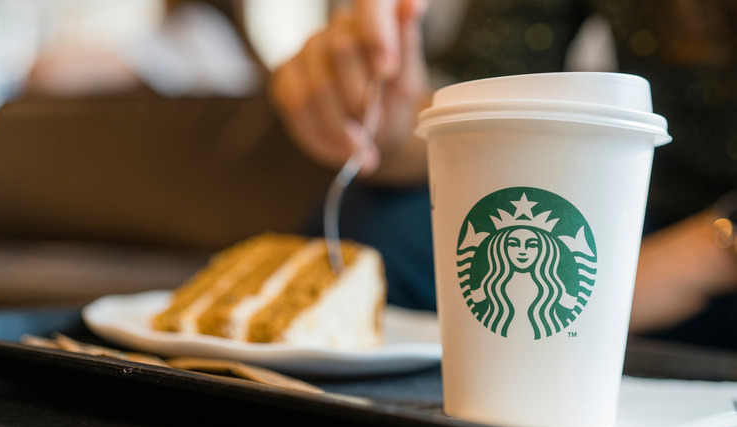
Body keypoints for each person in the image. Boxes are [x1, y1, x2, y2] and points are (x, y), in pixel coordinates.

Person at [269, 0, 737, 349]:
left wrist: (701, 257)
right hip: (649, 206)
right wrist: (391, 120)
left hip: (715, 244)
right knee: (372, 225)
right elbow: (488, 84)